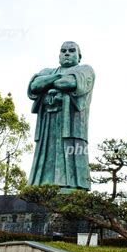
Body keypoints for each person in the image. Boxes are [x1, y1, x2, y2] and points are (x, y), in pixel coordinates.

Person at [27, 41, 95, 192]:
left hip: (72, 124)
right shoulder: (48, 70)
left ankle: (75, 187)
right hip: (48, 124)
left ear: (79, 56)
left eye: (71, 51)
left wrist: (49, 83)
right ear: (59, 55)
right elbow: (34, 86)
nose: (67, 53)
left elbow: (70, 83)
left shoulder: (85, 70)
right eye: (63, 50)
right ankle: (40, 186)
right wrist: (57, 76)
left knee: (73, 151)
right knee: (46, 153)